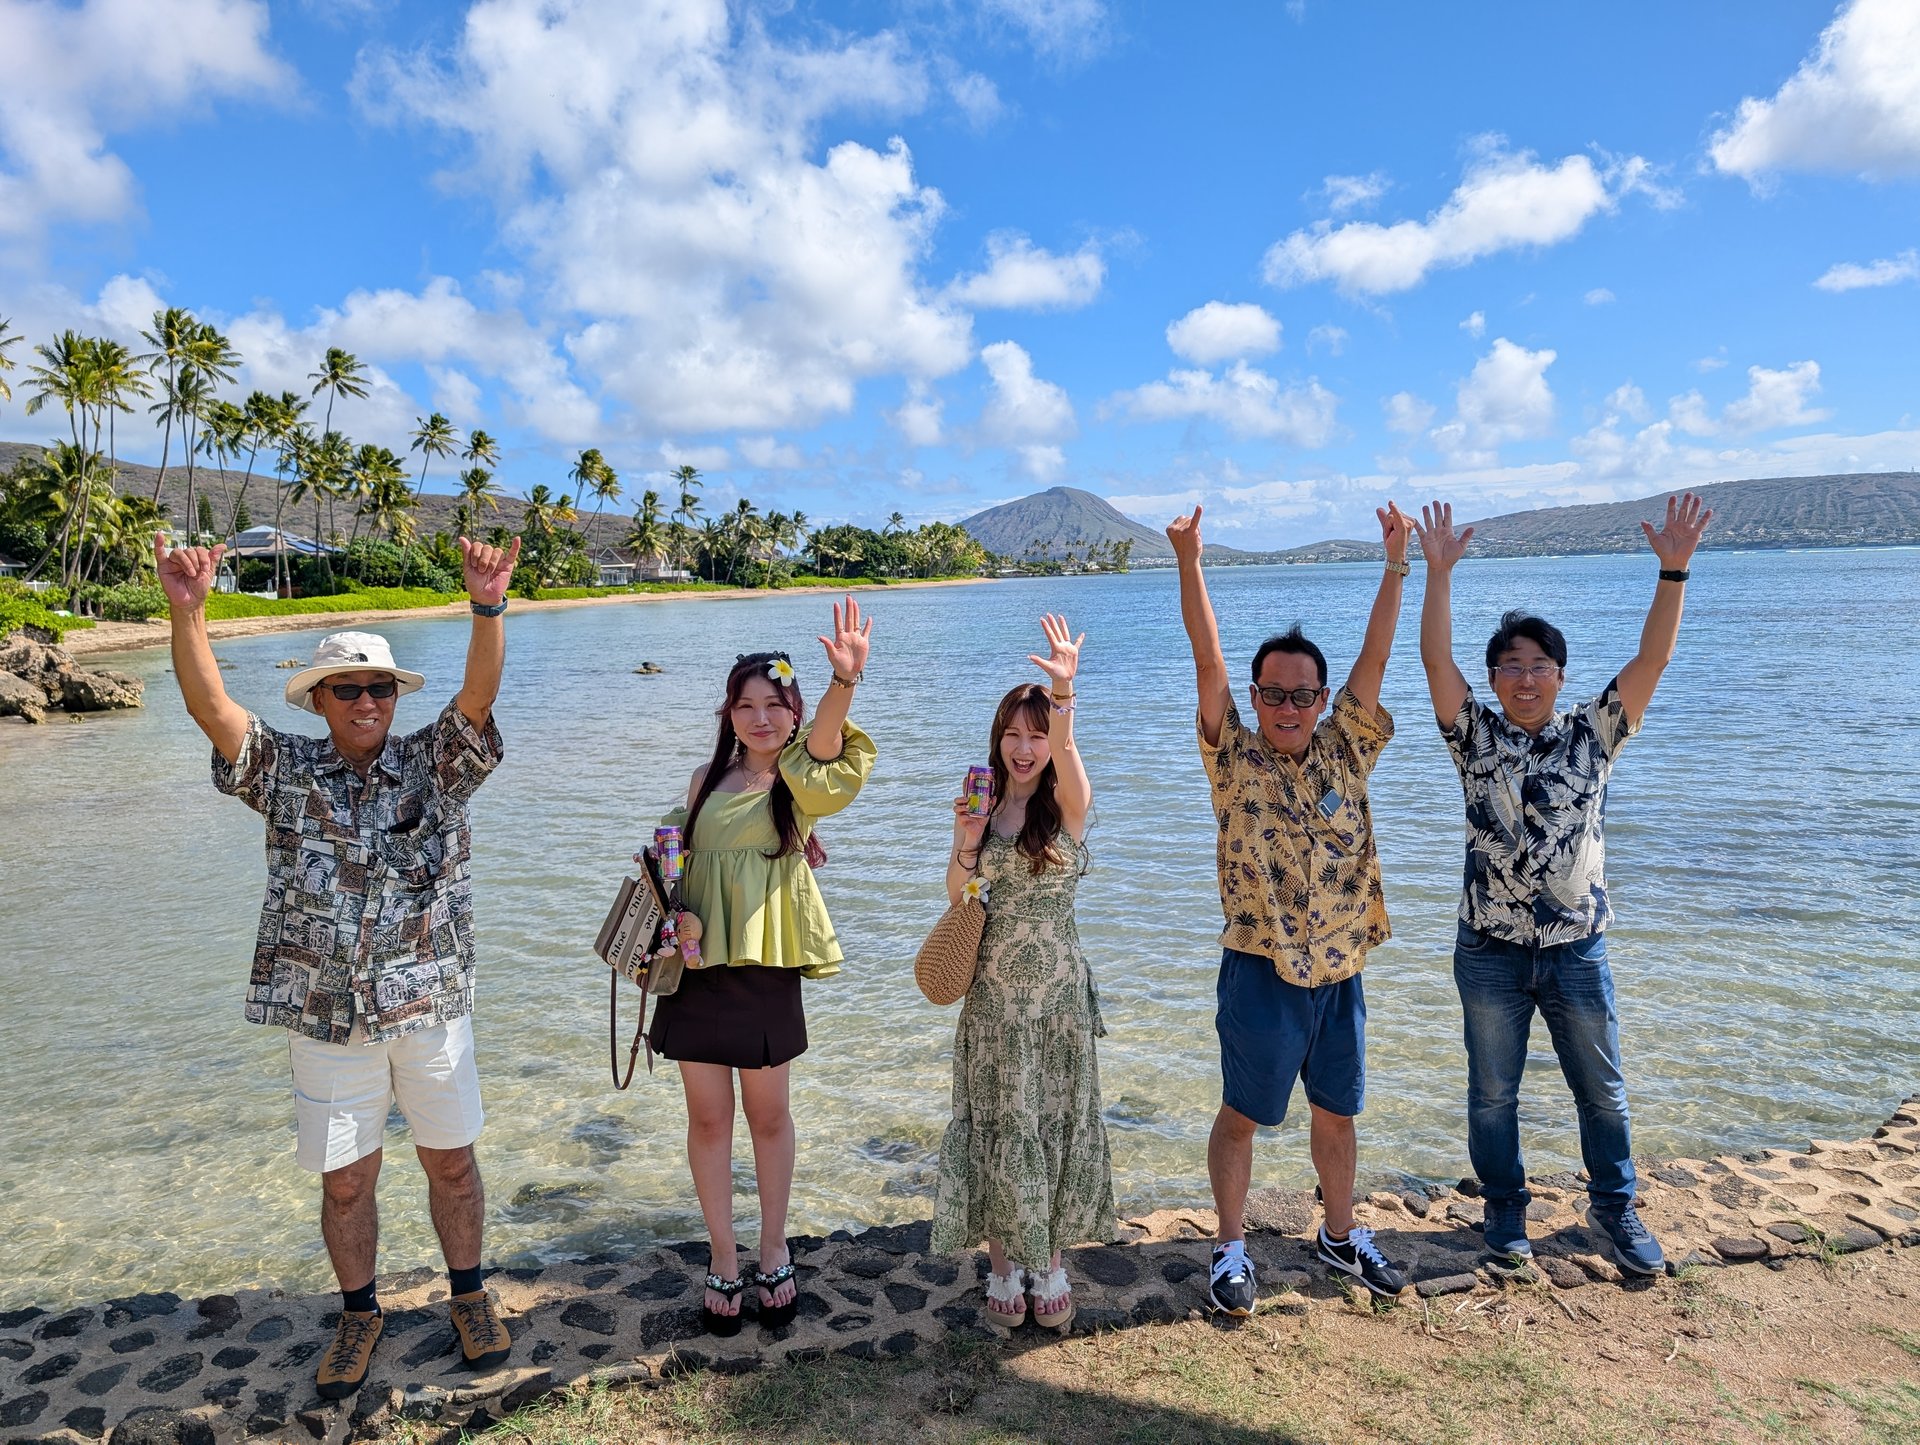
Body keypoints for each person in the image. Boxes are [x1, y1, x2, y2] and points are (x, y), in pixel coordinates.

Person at [154, 530, 522, 1401]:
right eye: (348, 687)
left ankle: (469, 1297)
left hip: (428, 1000)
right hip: (327, 1014)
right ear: (319, 697)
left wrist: (487, 605)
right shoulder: (285, 770)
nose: (366, 700)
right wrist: (190, 611)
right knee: (348, 1180)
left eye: (379, 687)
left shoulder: (434, 764)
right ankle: (360, 1312)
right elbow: (214, 711)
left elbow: (478, 695)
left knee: (453, 1164)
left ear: (395, 696)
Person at [1410, 493, 1713, 1276]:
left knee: (1603, 1094)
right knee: (1492, 1095)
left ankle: (1614, 1207)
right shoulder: (1473, 736)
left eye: (1539, 665)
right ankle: (1504, 1207)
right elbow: (1435, 663)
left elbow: (1653, 661)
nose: (1525, 677)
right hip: (1489, 949)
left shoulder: (1594, 731)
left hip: (1578, 947)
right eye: (1510, 665)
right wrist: (1437, 573)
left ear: (1560, 674)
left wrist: (1673, 570)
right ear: (1494, 676)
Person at [1167, 502, 1414, 1312]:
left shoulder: (1349, 743)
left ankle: (1340, 1236)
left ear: (1321, 697)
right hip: (1261, 968)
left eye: (1301, 694)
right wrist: (1190, 559)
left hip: (1341, 969)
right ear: (1256, 693)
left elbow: (1378, 653)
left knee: (1338, 1114)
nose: (1287, 707)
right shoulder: (1233, 758)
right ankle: (1231, 1247)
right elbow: (1204, 656)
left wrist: (1395, 565)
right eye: (1272, 692)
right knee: (1243, 1112)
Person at [651, 598, 876, 1336]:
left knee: (768, 1115)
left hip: (767, 965)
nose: (759, 718)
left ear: (795, 712)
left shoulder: (798, 780)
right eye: (745, 705)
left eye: (774, 705)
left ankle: (773, 1245)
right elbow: (678, 867)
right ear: (727, 712)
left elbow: (825, 755)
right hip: (697, 967)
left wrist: (844, 681)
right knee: (708, 1118)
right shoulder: (702, 781)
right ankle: (723, 1255)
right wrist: (667, 897)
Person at [931, 614, 1115, 1333]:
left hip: (1059, 997)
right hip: (994, 996)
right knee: (1002, 1123)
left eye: (1036, 733)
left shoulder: (1067, 803)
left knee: (1054, 1120)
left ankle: (1053, 1262)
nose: (1025, 746)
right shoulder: (981, 802)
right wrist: (967, 841)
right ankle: (1004, 1263)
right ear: (997, 739)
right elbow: (956, 896)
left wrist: (1064, 692)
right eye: (1014, 732)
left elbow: (1069, 754)